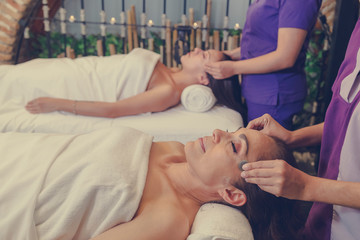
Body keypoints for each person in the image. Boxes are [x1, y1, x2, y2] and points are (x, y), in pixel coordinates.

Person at [1, 126, 303, 240]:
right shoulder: (172, 148)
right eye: (230, 131)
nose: (216, 133)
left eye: (234, 146)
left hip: (16, 197)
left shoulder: (168, 219)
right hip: (20, 150)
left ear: (232, 194)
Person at [242, 17, 360, 240]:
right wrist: (293, 137)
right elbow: (346, 122)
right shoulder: (357, 32)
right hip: (324, 216)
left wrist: (307, 187)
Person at [16, 47, 244, 118]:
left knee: (15, 82)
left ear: (203, 78)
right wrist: (232, 57)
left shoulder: (167, 92)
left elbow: (112, 111)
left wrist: (55, 103)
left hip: (75, 83)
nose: (197, 49)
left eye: (204, 55)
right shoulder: (170, 71)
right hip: (79, 68)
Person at [205, 0, 322, 129]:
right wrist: (234, 54)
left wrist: (233, 68)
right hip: (257, 90)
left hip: (273, 93)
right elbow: (266, 41)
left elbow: (285, 57)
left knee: (269, 146)